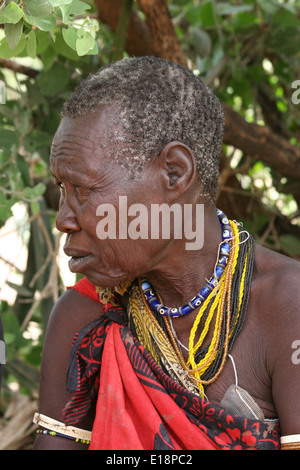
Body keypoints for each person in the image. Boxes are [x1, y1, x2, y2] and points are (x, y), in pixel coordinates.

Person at [33, 56, 300, 450]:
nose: (63, 220)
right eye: (61, 189)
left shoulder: (286, 309)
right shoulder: (83, 318)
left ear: (174, 173)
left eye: (84, 190)